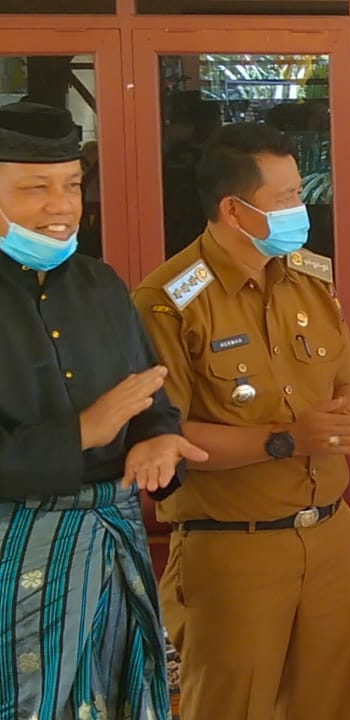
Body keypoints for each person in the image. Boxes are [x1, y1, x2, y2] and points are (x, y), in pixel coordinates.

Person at [132, 122, 350, 720]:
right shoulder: (167, 300)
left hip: (332, 535)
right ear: (235, 209)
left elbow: (348, 381)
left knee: (327, 704)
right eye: (284, 199)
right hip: (235, 547)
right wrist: (288, 440)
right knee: (234, 706)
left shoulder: (309, 277)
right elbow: (168, 436)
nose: (299, 210)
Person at [0, 100, 205, 720]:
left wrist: (155, 438)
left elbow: (149, 397)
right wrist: (84, 431)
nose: (63, 207)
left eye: (73, 185)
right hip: (17, 548)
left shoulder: (102, 283)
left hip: (110, 534)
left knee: (115, 694)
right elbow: (98, 419)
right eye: (36, 188)